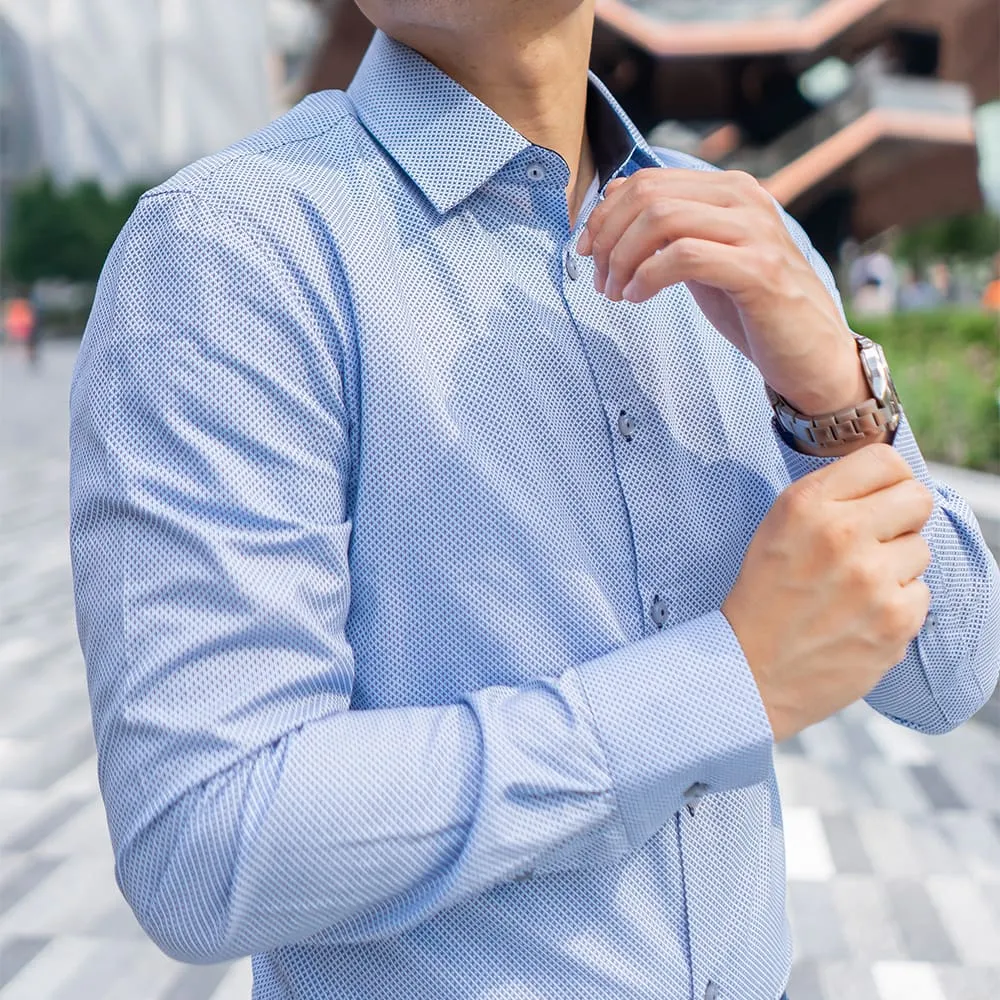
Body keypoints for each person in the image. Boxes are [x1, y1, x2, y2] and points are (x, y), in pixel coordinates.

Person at [68, 3, 1000, 999]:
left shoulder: (746, 236)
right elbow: (207, 843)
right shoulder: (231, 249)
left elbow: (948, 672)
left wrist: (838, 397)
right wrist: (724, 677)